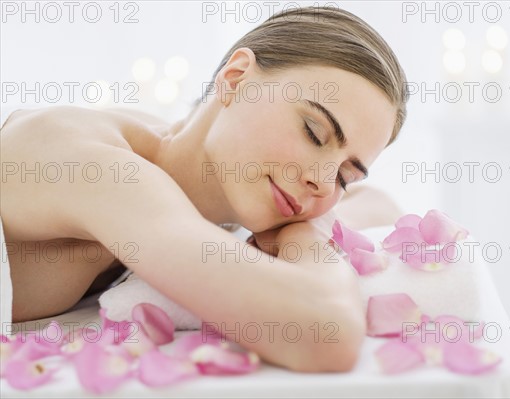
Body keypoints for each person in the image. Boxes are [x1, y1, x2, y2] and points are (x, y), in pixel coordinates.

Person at [0, 6, 408, 372]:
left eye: (344, 177)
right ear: (235, 79)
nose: (322, 182)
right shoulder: (96, 164)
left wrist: (306, 225)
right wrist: (311, 236)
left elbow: (380, 203)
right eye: (313, 132)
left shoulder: (188, 175)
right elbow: (325, 333)